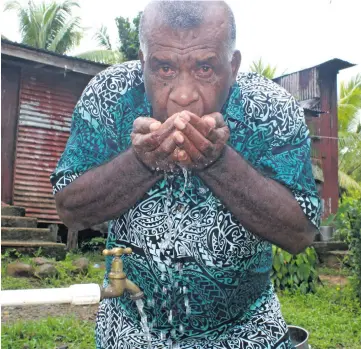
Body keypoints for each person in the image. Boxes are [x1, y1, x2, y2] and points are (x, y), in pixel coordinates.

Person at [51, 1, 321, 348]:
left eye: (205, 69)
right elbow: (70, 209)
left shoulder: (271, 110)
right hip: (132, 331)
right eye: (164, 69)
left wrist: (218, 163)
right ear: (143, 62)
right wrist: (141, 163)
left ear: (233, 66)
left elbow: (300, 234)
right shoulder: (109, 96)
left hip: (246, 332)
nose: (183, 96)